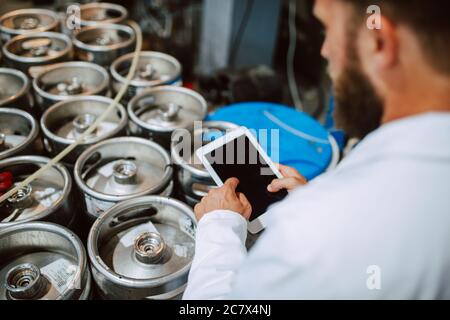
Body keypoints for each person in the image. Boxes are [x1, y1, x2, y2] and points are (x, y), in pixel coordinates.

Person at [183, 0, 450, 299]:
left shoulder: (312, 236)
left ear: (379, 43)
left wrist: (219, 227)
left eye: (328, 29)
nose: (324, 51)